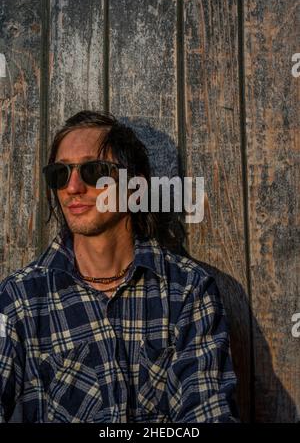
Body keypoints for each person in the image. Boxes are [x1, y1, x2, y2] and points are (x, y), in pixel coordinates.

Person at [0, 110, 239, 423]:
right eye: (60, 173)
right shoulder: (18, 299)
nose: (72, 187)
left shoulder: (188, 291)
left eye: (93, 171)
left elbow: (207, 414)